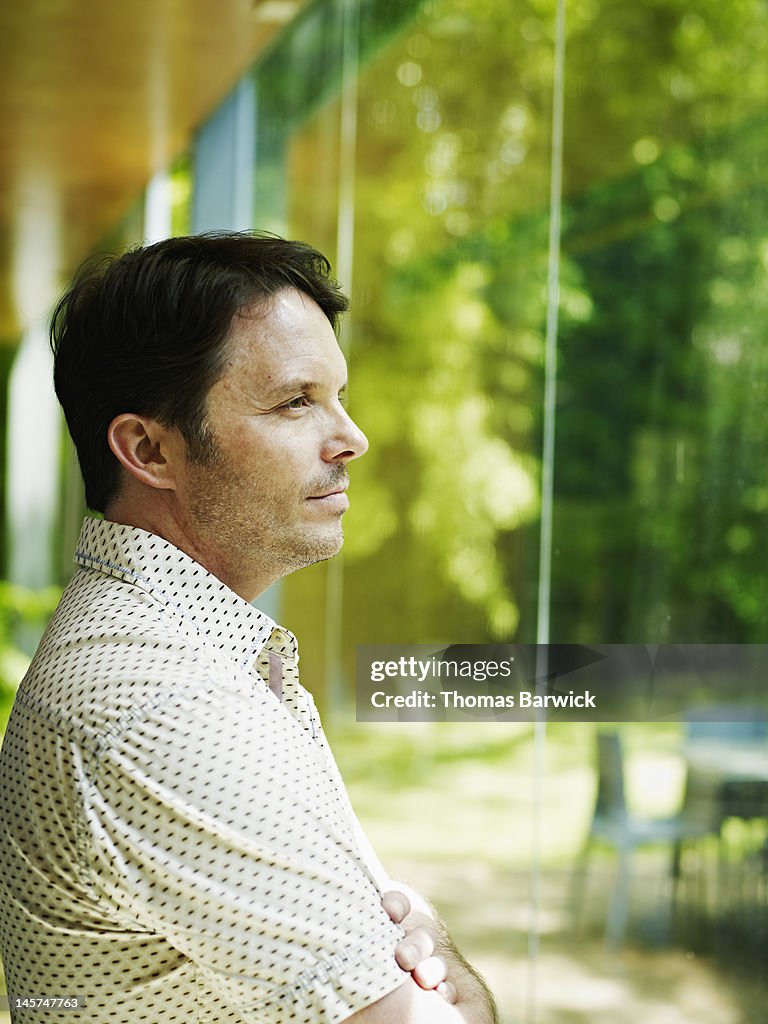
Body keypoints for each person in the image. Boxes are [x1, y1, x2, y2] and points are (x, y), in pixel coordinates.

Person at [0, 233, 499, 1023]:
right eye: (296, 401)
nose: (351, 438)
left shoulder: (193, 651)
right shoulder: (157, 703)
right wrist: (466, 997)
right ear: (148, 449)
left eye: (338, 395)